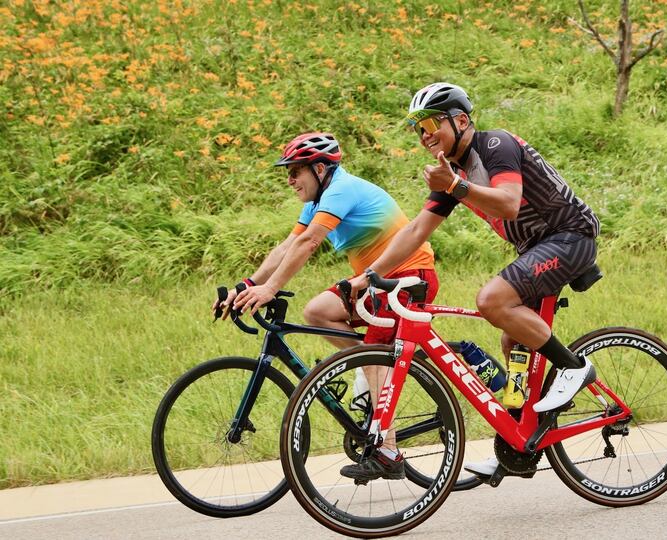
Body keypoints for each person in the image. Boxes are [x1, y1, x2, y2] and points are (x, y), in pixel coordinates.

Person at [348, 83, 601, 477]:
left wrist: (453, 185)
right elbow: (416, 231)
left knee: (492, 301)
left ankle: (573, 367)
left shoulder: (495, 145)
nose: (424, 134)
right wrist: (368, 276)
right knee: (512, 339)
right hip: (538, 247)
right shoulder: (457, 174)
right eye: (418, 129)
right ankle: (518, 441)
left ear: (461, 120)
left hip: (569, 236)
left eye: (430, 123)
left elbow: (509, 203)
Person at [214, 132, 439, 479]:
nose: (289, 180)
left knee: (376, 352)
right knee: (318, 311)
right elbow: (288, 244)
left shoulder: (341, 189)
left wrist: (272, 289)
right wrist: (249, 284)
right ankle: (370, 371)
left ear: (320, 169)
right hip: (372, 282)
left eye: (295, 172)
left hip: (406, 277)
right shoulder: (316, 201)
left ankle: (388, 451)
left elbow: (309, 242)